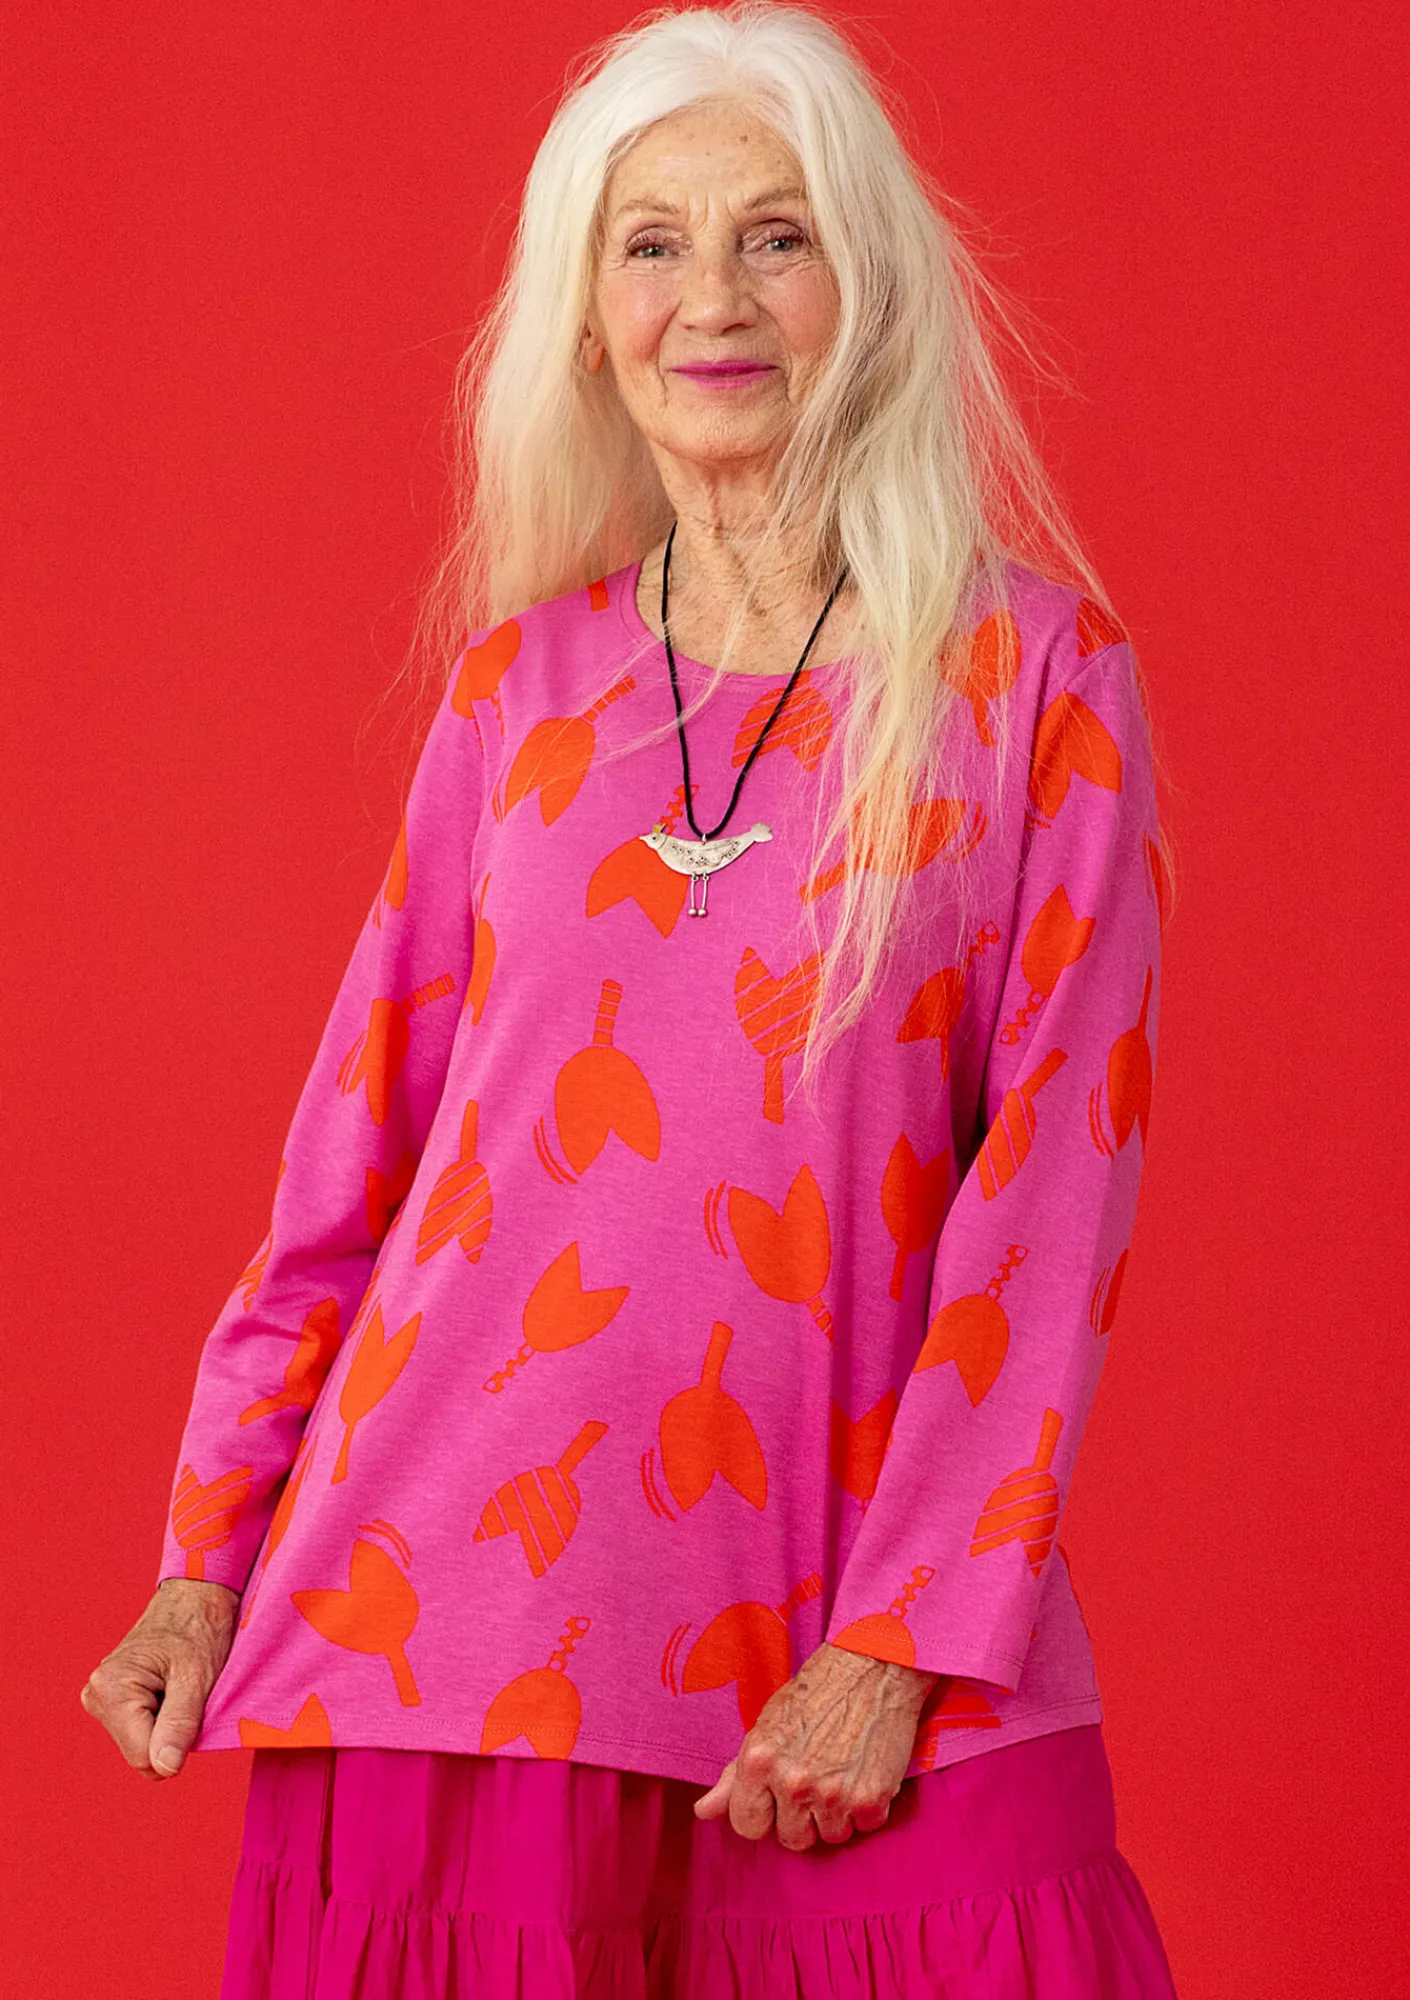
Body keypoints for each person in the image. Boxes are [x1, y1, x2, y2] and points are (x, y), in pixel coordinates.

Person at [80, 5, 1182, 1994]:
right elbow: (355, 1167)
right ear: (588, 319)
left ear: (866, 281)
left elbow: (1048, 1197)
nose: (713, 299)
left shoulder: (1034, 686)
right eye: (651, 244)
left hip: (846, 1620)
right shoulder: (516, 695)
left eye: (777, 235)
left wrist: (907, 1636)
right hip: (443, 1631)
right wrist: (204, 1558)